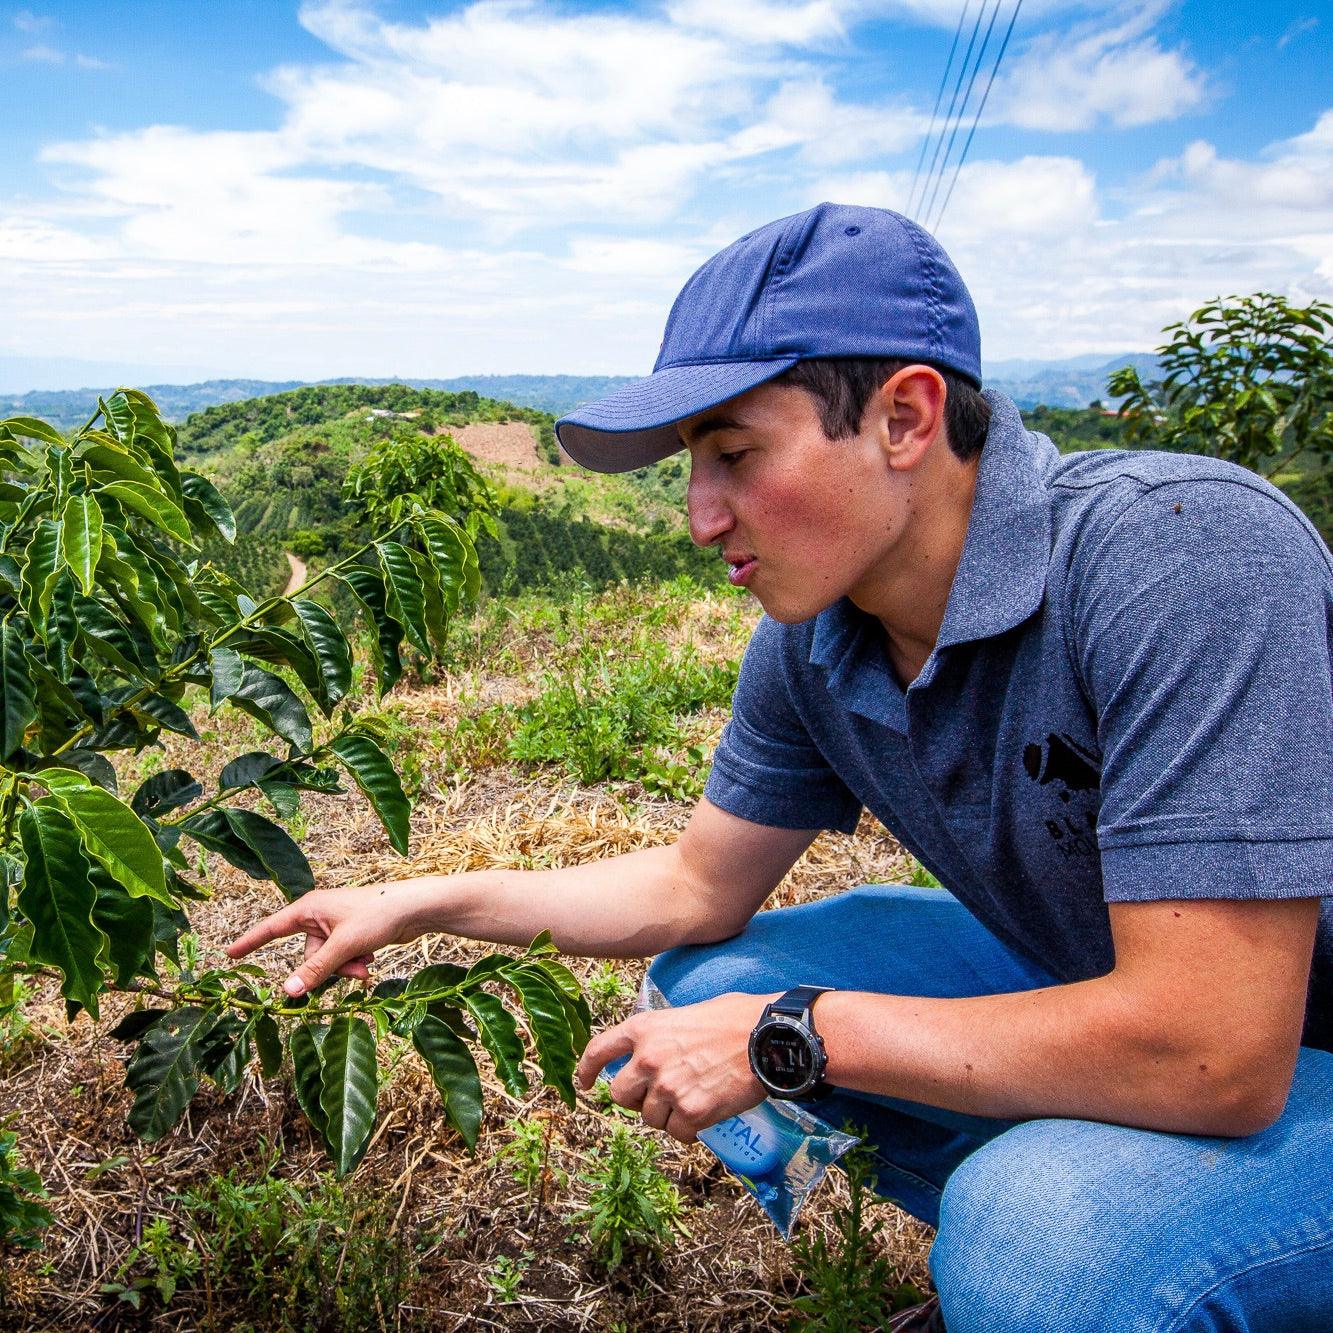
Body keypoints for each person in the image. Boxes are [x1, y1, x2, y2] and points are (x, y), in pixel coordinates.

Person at [228, 203, 1333, 1332]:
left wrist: (792, 1030)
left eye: (736, 454)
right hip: (1127, 990)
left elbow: (1216, 1052)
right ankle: (1078, 1253)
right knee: (702, 980)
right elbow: (694, 887)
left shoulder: (1183, 554)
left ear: (905, 416)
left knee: (1036, 1229)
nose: (702, 517)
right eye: (691, 466)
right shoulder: (817, 636)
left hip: (1263, 1040)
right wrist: (421, 902)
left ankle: (1068, 1253)